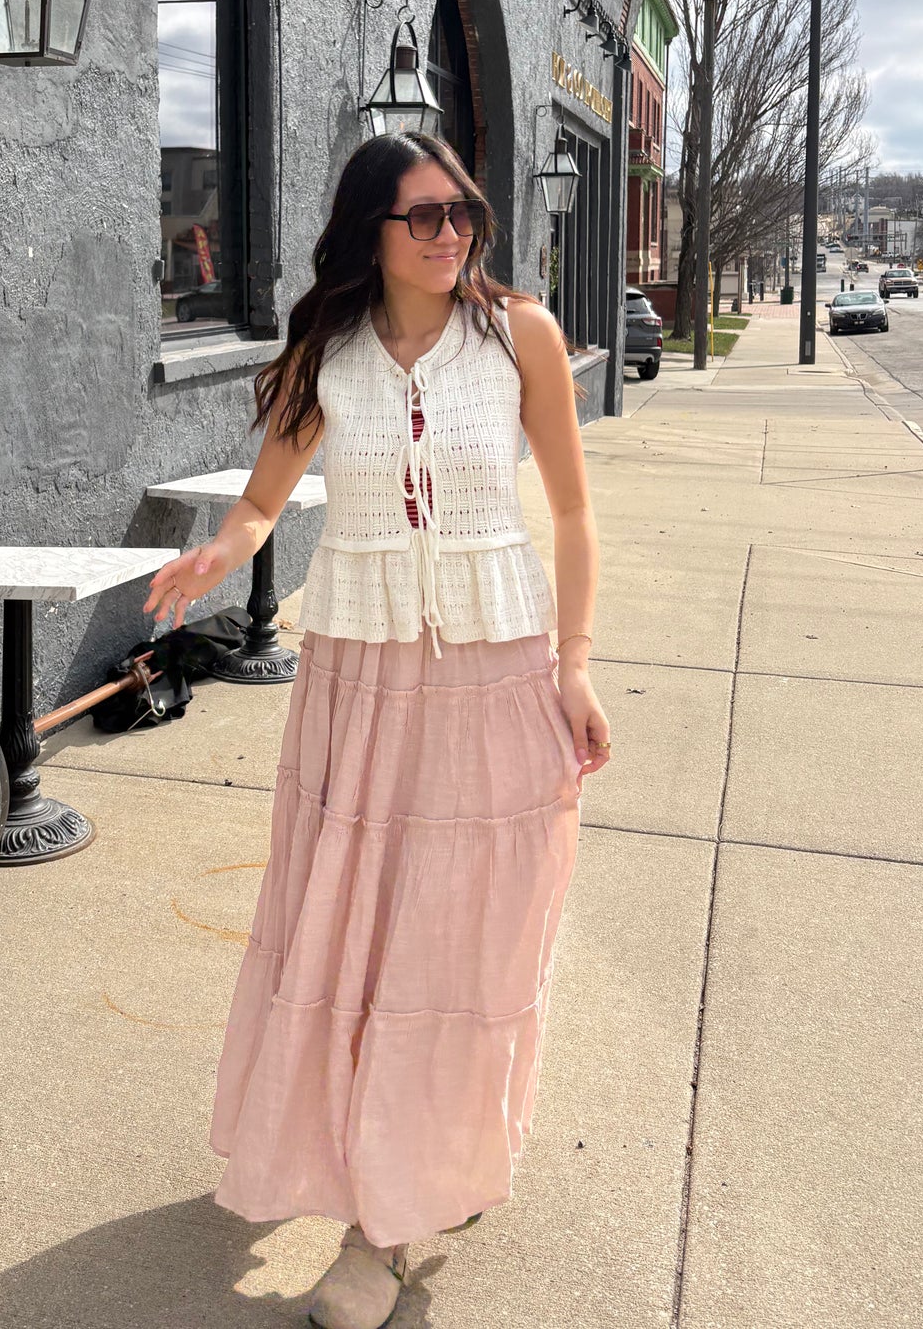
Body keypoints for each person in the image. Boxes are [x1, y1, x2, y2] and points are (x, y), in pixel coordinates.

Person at [143, 132, 609, 1329]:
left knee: (462, 944)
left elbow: (567, 508)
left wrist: (575, 666)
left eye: (462, 211)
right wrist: (218, 556)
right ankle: (345, 1154)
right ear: (370, 232)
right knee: (349, 930)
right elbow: (261, 499)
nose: (452, 232)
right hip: (357, 680)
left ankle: (394, 1221)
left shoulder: (521, 339)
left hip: (492, 670)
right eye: (423, 216)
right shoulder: (326, 356)